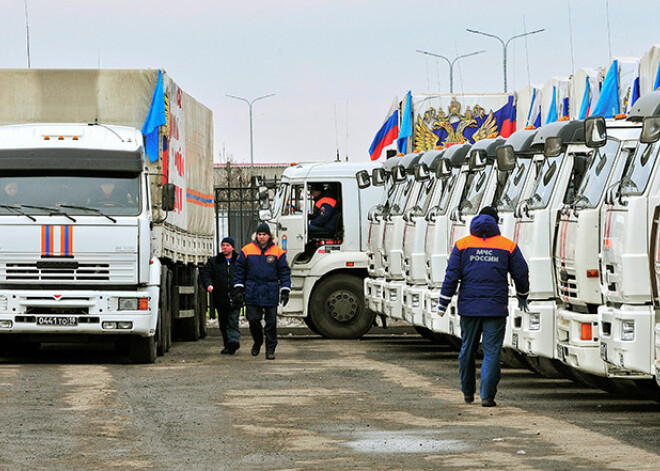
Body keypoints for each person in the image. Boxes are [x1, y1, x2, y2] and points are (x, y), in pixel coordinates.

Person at [437, 206, 529, 407]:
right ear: (496, 223)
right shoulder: (508, 246)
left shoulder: (462, 245)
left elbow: (451, 275)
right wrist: (523, 295)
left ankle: (468, 393)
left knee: (467, 349)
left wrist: (443, 302)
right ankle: (487, 397)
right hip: (495, 308)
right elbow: (521, 273)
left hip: (469, 308)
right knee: (492, 352)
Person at [233, 222, 291, 360]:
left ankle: (270, 349)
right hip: (252, 289)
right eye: (259, 234)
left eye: (264, 234)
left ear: (269, 236)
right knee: (253, 319)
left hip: (270, 290)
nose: (261, 237)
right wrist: (239, 288)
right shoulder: (247, 250)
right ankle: (258, 341)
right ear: (256, 236)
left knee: (271, 323)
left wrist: (285, 289)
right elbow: (239, 270)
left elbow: (284, 272)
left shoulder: (277, 252)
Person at [201, 237, 241, 354]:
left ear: (232, 247)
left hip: (235, 296)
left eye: (227, 245)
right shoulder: (214, 262)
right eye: (223, 245)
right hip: (220, 297)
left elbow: (245, 274)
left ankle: (233, 341)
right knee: (223, 323)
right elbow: (206, 274)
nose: (225, 247)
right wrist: (209, 285)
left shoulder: (239, 261)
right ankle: (228, 345)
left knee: (233, 320)